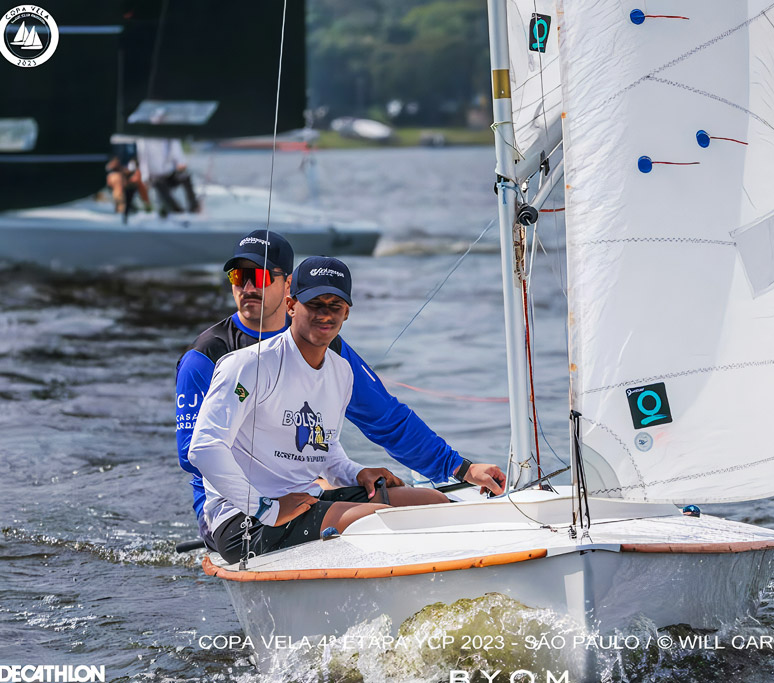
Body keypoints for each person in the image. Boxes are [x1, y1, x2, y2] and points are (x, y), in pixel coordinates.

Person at [176, 230, 505, 545]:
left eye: (259, 277)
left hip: (302, 491)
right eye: (238, 277)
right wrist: (270, 504)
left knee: (431, 502)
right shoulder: (216, 357)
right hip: (237, 509)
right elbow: (198, 451)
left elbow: (379, 423)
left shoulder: (333, 358)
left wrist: (460, 468)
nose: (247, 287)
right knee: (375, 519)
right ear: (294, 304)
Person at [136, 137, 199, 215]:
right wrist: (144, 177)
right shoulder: (145, 139)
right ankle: (177, 211)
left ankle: (194, 207)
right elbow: (143, 159)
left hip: (169, 173)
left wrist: (181, 165)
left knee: (185, 177)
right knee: (158, 183)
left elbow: (178, 156)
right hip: (154, 176)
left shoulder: (171, 138)